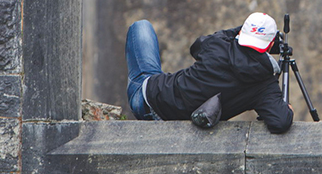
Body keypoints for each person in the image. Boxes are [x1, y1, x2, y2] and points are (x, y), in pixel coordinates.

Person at [125, 12, 293, 133]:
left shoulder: (217, 45)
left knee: (140, 26)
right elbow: (280, 121)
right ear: (270, 45)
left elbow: (196, 48)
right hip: (180, 122)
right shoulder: (265, 83)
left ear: (241, 33)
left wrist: (239, 31)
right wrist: (288, 109)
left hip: (146, 98)